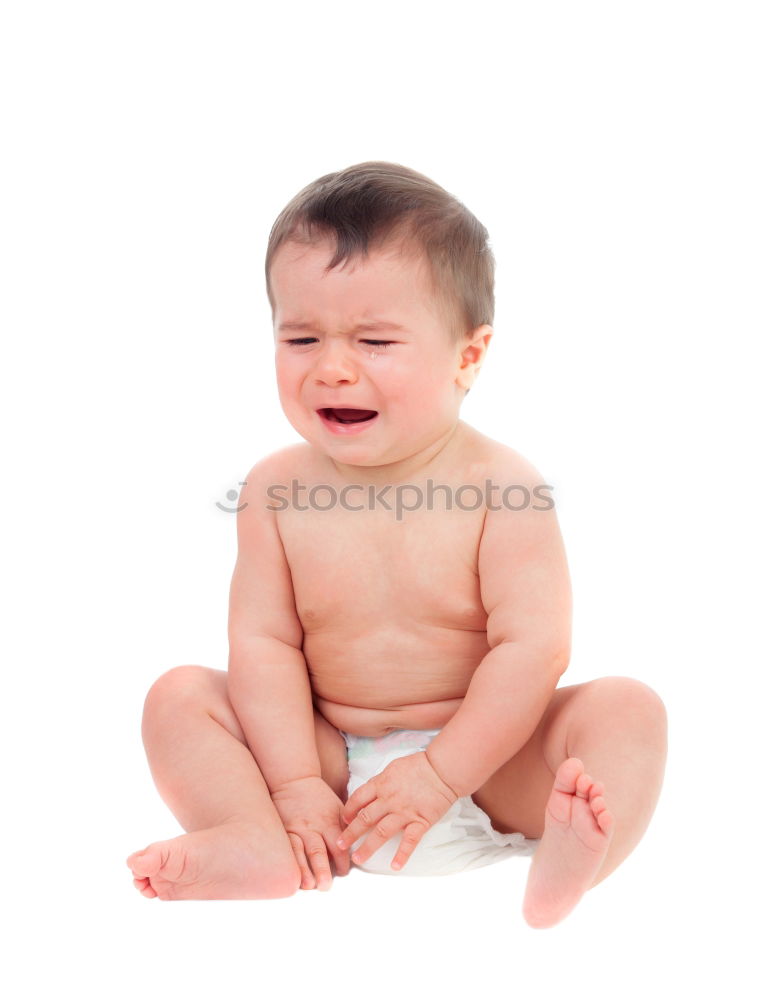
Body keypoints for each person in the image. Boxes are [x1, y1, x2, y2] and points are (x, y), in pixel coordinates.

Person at [126, 161, 667, 928]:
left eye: (375, 340)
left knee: (627, 712)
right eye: (302, 336)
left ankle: (572, 859)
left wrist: (443, 773)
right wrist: (293, 785)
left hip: (488, 767)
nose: (333, 368)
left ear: (468, 357)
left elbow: (533, 649)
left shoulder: (502, 487)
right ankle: (256, 838)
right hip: (329, 767)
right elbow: (265, 644)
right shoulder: (275, 489)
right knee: (179, 696)